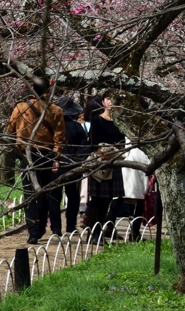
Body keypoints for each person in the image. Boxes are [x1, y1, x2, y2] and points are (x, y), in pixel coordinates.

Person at [7, 79, 66, 244]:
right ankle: (40, 229)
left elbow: (10, 129)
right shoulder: (55, 110)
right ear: (48, 91)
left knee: (29, 193)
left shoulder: (20, 108)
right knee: (44, 192)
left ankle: (33, 231)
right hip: (47, 155)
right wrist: (56, 157)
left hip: (26, 155)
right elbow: (59, 137)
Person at [87, 92, 125, 238]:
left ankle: (99, 231)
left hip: (114, 161)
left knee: (108, 199)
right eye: (108, 99)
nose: (111, 102)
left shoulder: (119, 122)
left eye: (113, 99)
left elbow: (122, 143)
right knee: (97, 198)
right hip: (100, 162)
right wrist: (106, 150)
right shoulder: (97, 120)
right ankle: (92, 232)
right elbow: (93, 142)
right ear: (103, 102)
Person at [54, 96, 89, 233]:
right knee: (73, 195)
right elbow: (84, 146)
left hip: (56, 164)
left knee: (54, 196)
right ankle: (70, 225)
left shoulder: (54, 127)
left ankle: (56, 227)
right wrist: (78, 161)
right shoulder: (77, 127)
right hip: (73, 165)